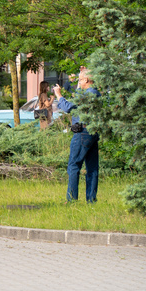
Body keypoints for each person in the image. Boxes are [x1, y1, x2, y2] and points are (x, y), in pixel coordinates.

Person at [54, 68, 101, 203]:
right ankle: (91, 200)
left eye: (80, 80)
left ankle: (72, 200)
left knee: (74, 166)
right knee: (92, 168)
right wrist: (81, 81)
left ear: (86, 80)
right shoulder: (94, 93)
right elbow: (79, 97)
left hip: (82, 133)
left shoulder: (87, 95)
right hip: (92, 132)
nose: (78, 83)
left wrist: (58, 95)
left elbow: (69, 107)